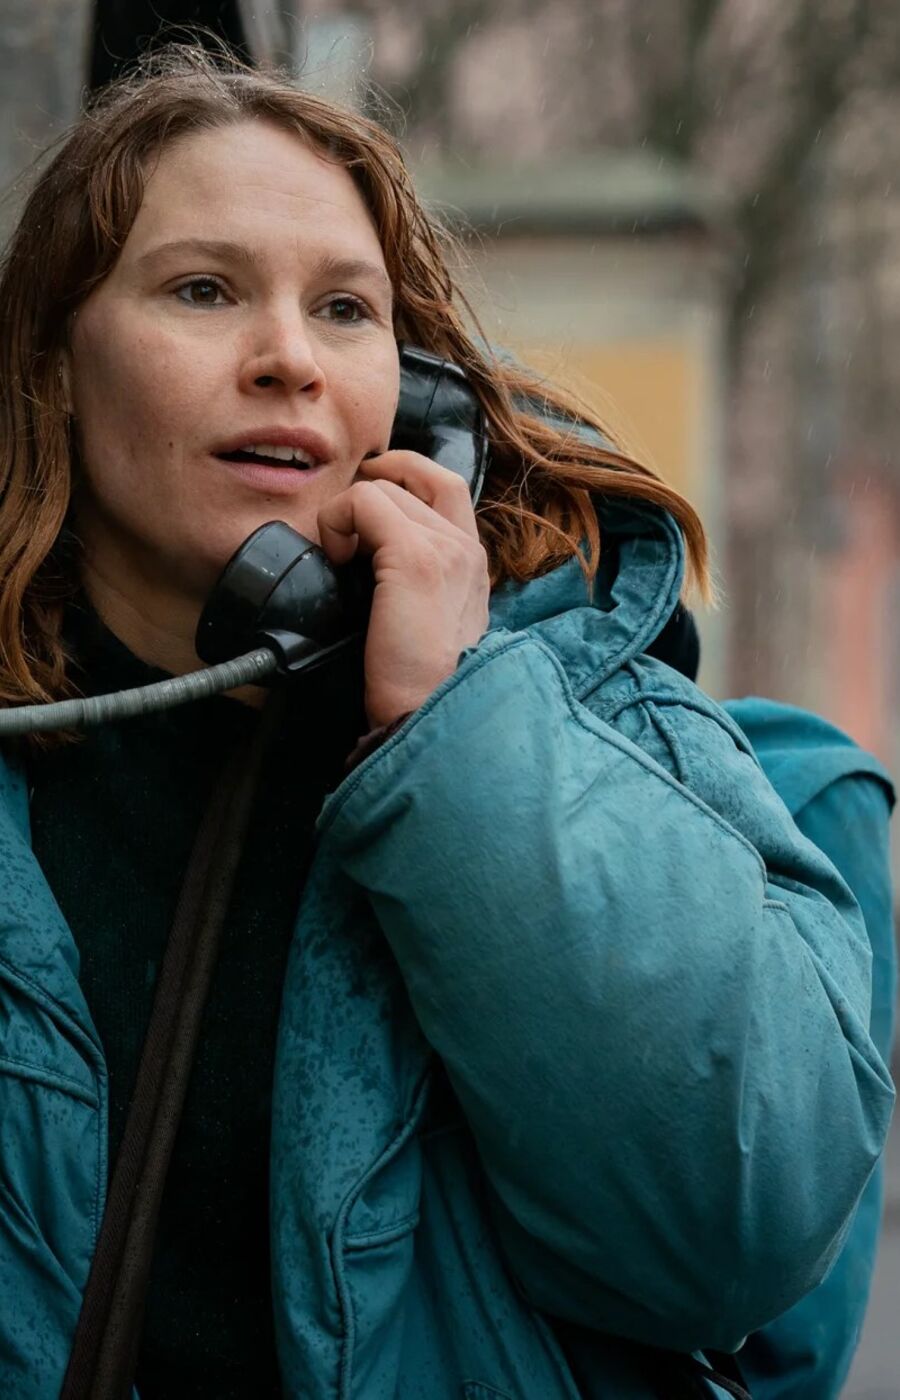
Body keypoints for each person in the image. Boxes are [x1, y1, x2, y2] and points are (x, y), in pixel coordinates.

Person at [0, 44, 893, 1400]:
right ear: (56, 367)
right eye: (203, 290)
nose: (290, 359)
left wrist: (453, 728)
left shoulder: (601, 717)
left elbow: (744, 1226)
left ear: (419, 399)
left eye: (345, 310)